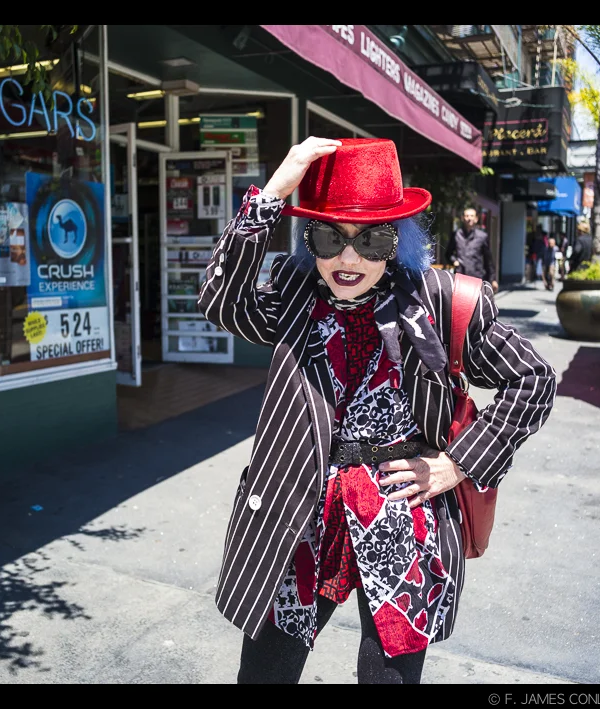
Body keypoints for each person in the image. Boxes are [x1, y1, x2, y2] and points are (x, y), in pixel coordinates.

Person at [198, 136, 556, 685]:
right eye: (328, 236)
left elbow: (533, 379)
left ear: (399, 240)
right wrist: (274, 189)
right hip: (301, 513)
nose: (348, 258)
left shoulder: (436, 300)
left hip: (402, 515)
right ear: (307, 240)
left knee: (387, 678)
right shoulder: (297, 291)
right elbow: (221, 299)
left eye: (372, 239)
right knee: (266, 671)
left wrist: (457, 463)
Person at [444, 206, 499, 292]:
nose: (469, 218)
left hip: (476, 276)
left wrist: (493, 279)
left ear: (476, 219)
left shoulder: (482, 236)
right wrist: (454, 261)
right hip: (460, 276)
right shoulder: (456, 235)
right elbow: (448, 254)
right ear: (462, 218)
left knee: (476, 303)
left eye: (471, 216)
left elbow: (488, 260)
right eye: (467, 216)